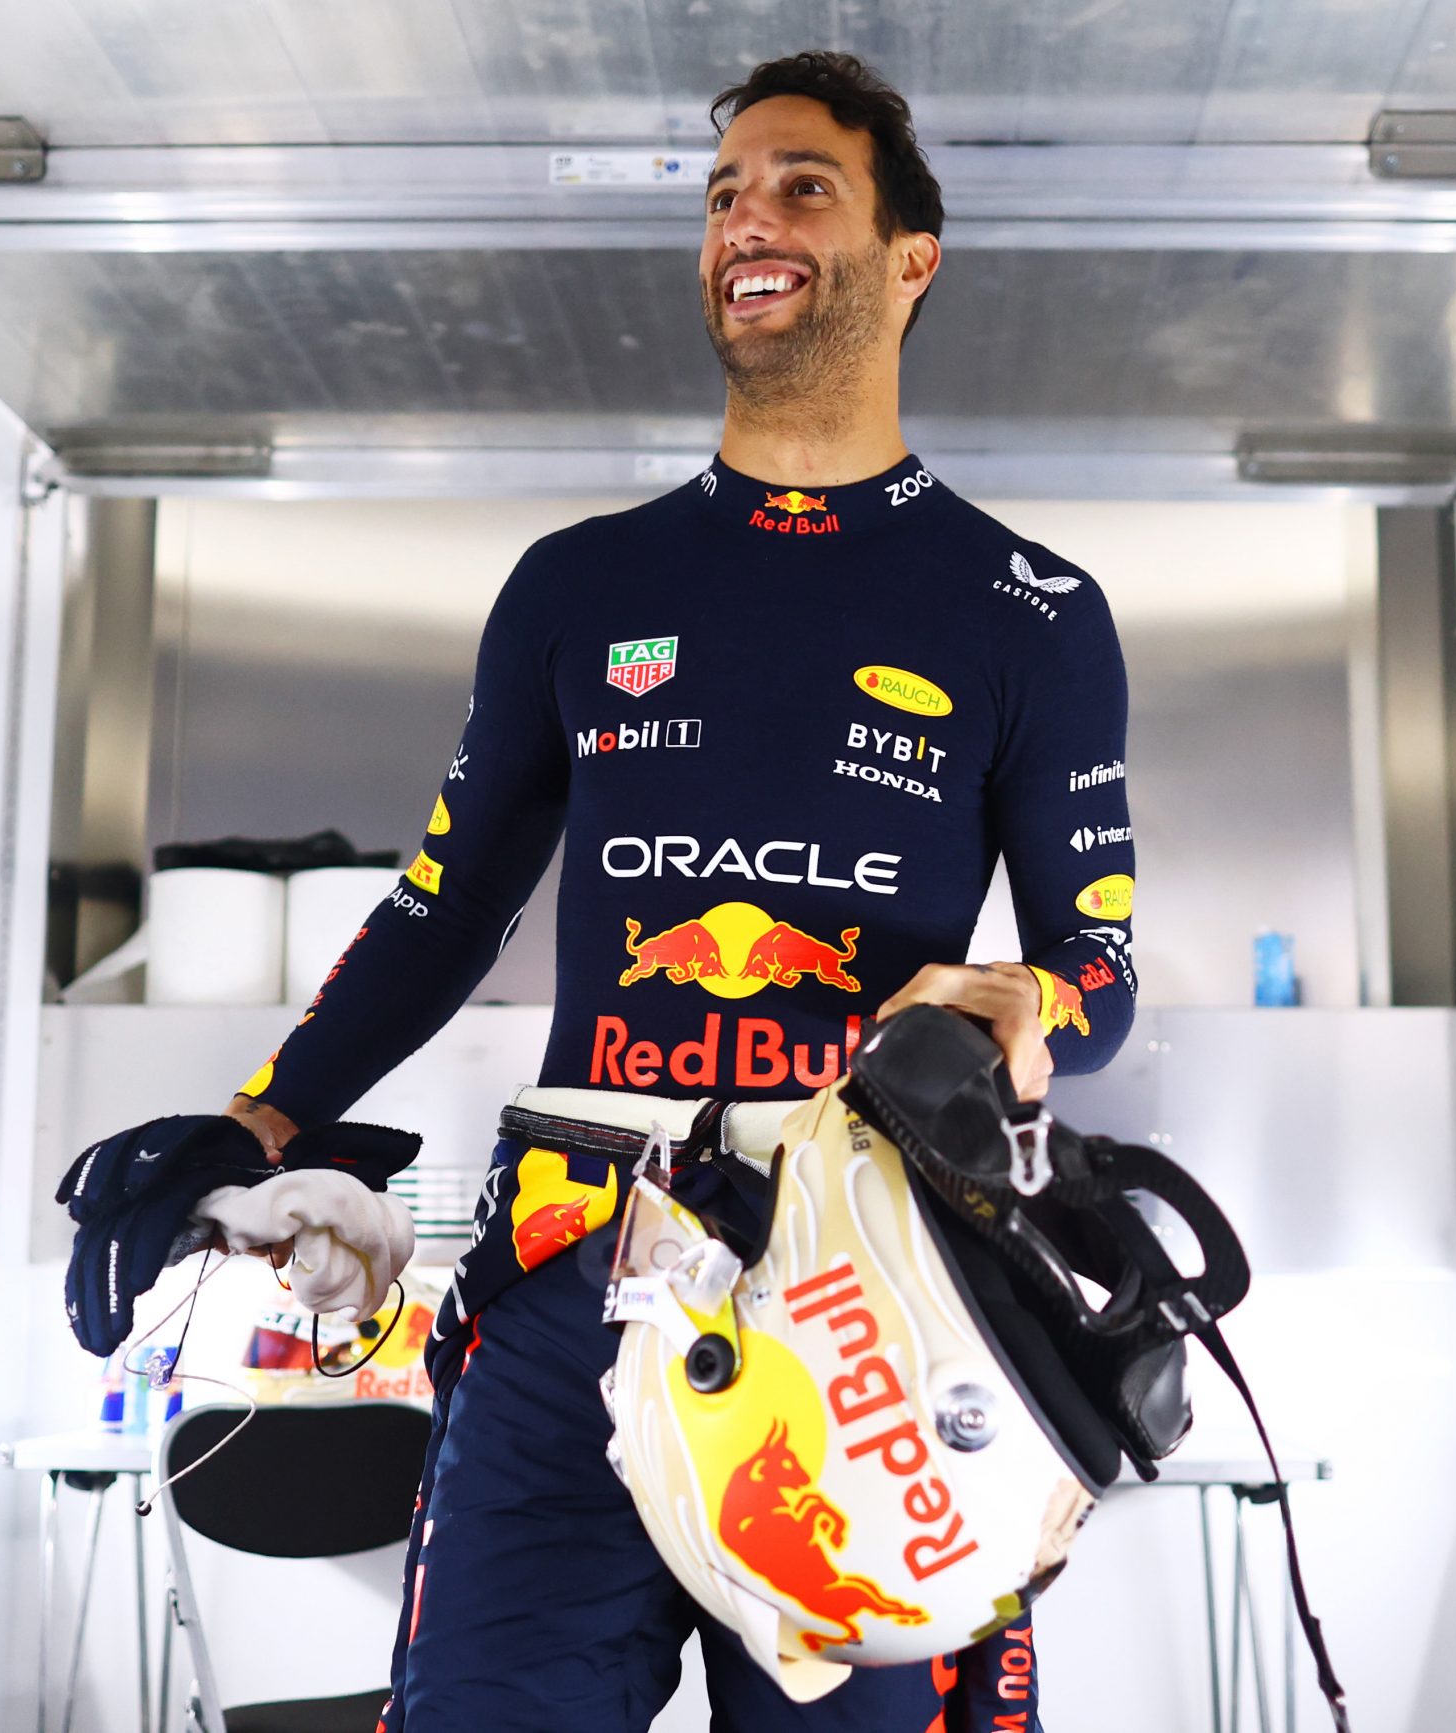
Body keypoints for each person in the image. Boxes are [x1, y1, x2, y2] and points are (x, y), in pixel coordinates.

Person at [222, 50, 1137, 1733]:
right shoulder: (582, 585)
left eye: (804, 186)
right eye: (724, 194)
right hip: (576, 1263)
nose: (749, 221)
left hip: (866, 1306)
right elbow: (442, 908)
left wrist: (1034, 1005)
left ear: (909, 254)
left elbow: (1102, 964)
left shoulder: (1032, 609)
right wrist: (260, 1125)